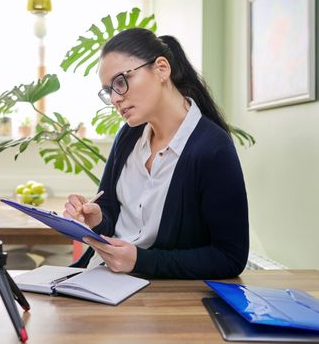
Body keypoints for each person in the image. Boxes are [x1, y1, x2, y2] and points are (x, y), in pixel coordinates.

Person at [63, 28, 249, 279]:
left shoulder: (212, 148)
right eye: (109, 90)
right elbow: (110, 213)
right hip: (101, 278)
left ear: (161, 69)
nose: (116, 99)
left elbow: (230, 257)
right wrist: (96, 218)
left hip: (159, 296)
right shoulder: (128, 136)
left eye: (120, 82)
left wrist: (140, 261)